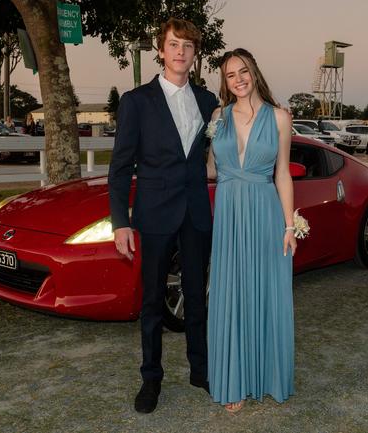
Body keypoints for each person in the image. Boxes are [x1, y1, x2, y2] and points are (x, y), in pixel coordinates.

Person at [108, 18, 218, 414]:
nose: (181, 51)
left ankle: (201, 370)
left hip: (196, 214)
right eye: (174, 44)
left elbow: (212, 157)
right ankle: (151, 379)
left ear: (194, 53)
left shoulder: (208, 101)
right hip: (154, 215)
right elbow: (120, 167)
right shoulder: (136, 101)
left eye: (188, 45)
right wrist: (120, 221)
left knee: (197, 297)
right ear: (161, 49)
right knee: (153, 302)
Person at [206, 48, 296, 413]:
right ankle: (235, 381)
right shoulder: (218, 117)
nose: (238, 79)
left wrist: (289, 226)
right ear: (224, 82)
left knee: (265, 293)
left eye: (243, 71)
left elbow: (283, 173)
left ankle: (268, 376)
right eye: (230, 75)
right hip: (228, 216)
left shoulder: (279, 118)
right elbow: (211, 169)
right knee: (231, 295)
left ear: (254, 72)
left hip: (264, 213)